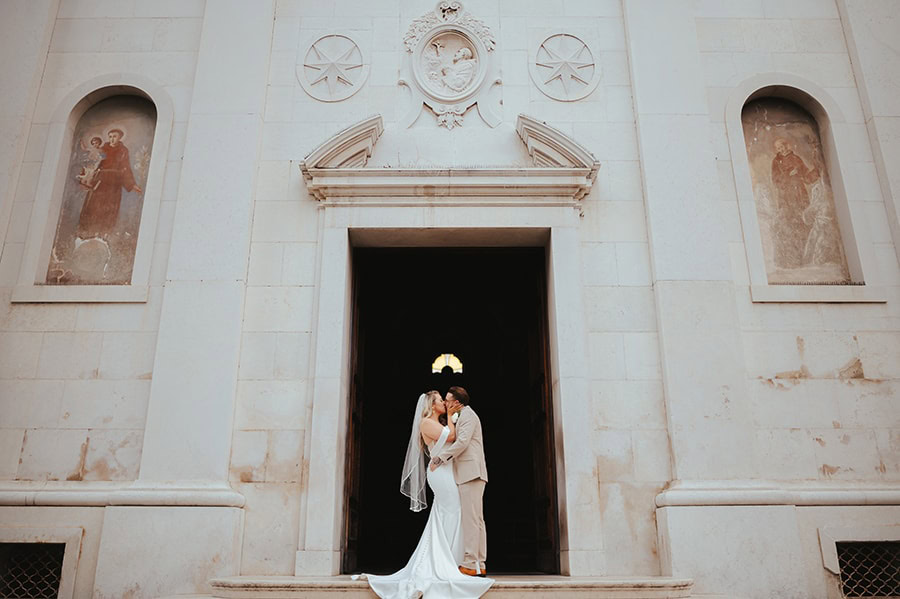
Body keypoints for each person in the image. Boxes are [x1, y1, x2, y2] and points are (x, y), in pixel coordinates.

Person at [358, 390, 493, 599]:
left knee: (460, 513)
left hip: (450, 469)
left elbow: (456, 438)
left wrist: (449, 420)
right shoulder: (426, 423)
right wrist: (450, 419)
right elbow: (452, 437)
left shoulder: (454, 418)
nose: (445, 404)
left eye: (446, 401)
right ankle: (453, 560)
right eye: (441, 401)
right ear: (431, 404)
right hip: (440, 472)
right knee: (455, 511)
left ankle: (464, 560)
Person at [430, 386, 488, 577]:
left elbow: (462, 442)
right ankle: (478, 563)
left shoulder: (468, 416)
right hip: (470, 472)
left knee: (472, 520)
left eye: (447, 399)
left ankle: (471, 563)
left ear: (456, 402)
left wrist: (440, 458)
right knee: (476, 519)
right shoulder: (462, 415)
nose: (445, 403)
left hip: (470, 472)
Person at [77, 128, 142, 239]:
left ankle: (104, 234)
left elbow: (126, 168)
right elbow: (92, 161)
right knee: (94, 205)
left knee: (110, 207)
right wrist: (87, 174)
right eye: (110, 136)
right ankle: (86, 232)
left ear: (120, 137)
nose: (112, 139)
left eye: (114, 136)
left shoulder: (123, 150)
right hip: (100, 180)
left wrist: (132, 185)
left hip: (114, 182)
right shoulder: (103, 148)